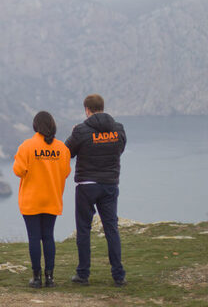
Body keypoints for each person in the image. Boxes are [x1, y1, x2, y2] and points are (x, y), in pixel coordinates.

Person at [65, 94, 127, 287]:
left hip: (86, 185)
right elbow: (119, 149)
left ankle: (83, 274)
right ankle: (118, 275)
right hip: (109, 184)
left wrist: (74, 134)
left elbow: (67, 152)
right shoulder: (118, 129)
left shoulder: (81, 131)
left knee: (84, 229)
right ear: (102, 107)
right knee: (111, 228)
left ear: (87, 110)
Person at [13, 111, 71, 288]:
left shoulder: (27, 146)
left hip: (31, 200)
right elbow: (66, 172)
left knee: (34, 238)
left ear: (35, 126)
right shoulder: (62, 148)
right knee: (48, 237)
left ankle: (36, 277)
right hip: (52, 198)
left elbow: (18, 171)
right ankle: (50, 278)